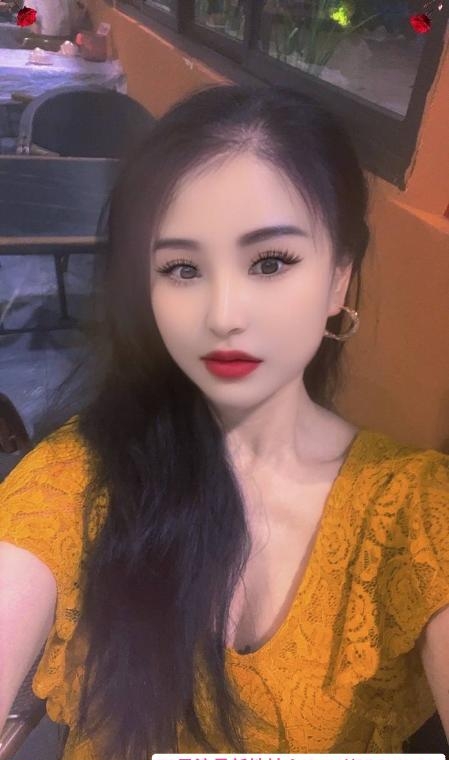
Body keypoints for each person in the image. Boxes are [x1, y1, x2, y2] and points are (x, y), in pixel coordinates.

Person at [0, 83, 448, 760]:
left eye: (269, 262)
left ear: (338, 278)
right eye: (182, 268)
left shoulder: (417, 511)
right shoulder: (74, 478)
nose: (223, 315)